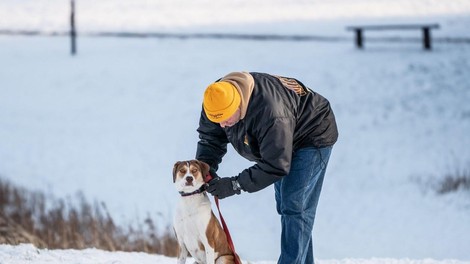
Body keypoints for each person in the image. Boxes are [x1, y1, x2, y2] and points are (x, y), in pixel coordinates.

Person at [195, 71, 338, 264]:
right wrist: (206, 168)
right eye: (217, 120)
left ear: (238, 104)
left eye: (227, 119)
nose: (222, 124)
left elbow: (275, 165)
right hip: (280, 139)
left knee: (294, 206)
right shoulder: (216, 97)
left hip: (311, 135)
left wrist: (234, 185)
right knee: (288, 208)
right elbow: (210, 138)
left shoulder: (270, 112)